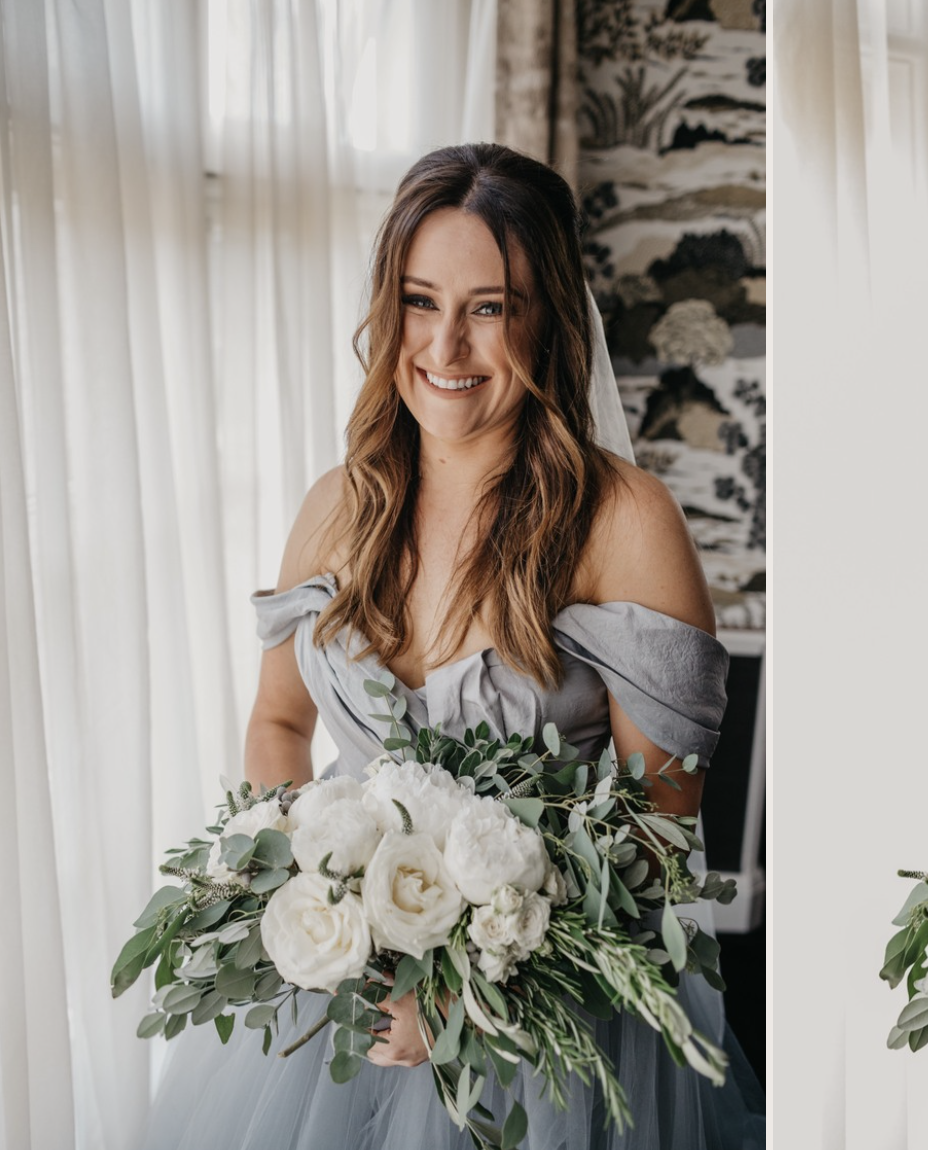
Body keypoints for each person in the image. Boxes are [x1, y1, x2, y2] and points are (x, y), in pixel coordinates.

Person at [139, 143, 765, 1149]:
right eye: (422, 300)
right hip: (339, 1004)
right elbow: (279, 721)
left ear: (546, 317)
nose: (446, 344)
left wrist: (468, 980)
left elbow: (657, 829)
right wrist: (313, 900)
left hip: (548, 1022)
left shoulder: (624, 521)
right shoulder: (336, 507)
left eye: (488, 306)